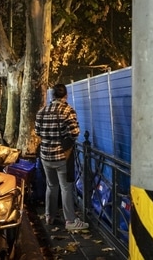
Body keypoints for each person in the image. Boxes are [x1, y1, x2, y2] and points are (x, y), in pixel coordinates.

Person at [35, 83, 88, 230]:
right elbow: (75, 132)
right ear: (65, 95)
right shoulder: (67, 110)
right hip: (61, 155)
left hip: (45, 155)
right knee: (66, 187)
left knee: (51, 185)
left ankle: (49, 216)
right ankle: (70, 221)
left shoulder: (42, 111)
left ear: (52, 96)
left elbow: (37, 131)